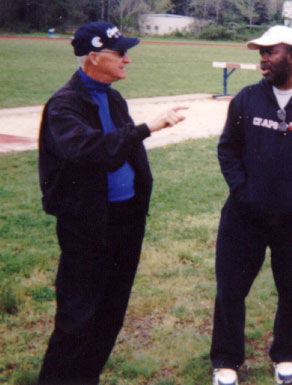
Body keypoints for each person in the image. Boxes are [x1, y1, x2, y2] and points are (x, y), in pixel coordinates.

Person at [37, 21, 187, 385]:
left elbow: (123, 149)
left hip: (125, 221)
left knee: (110, 315)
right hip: (87, 226)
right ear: (93, 57)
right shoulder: (64, 105)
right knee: (77, 319)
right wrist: (147, 128)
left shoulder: (113, 97)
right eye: (120, 53)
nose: (127, 60)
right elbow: (90, 151)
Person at [210, 25, 292, 385]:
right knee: (231, 290)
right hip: (244, 216)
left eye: (271, 52)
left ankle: (285, 355)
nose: (263, 59)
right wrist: (243, 191)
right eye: (261, 53)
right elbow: (227, 150)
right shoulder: (246, 99)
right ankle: (225, 360)